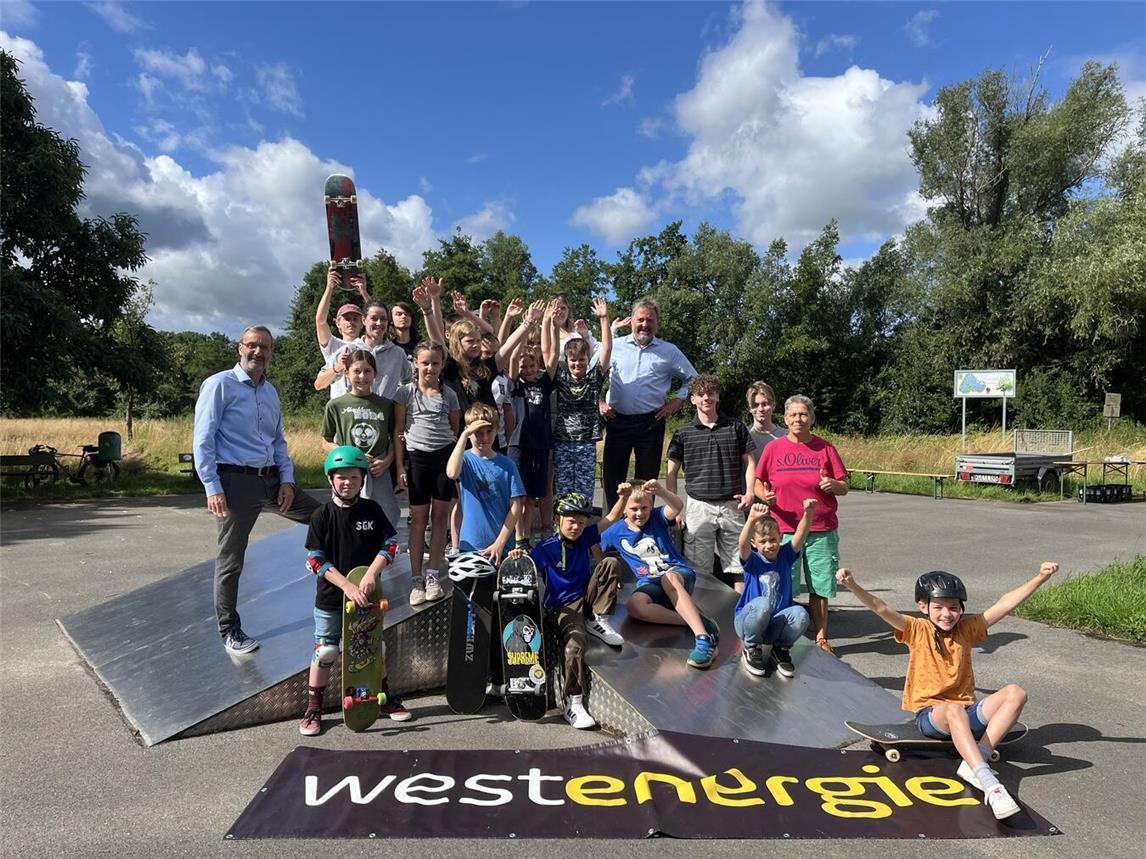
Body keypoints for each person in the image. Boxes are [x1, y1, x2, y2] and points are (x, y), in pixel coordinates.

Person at [835, 563, 1058, 819]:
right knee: (952, 709)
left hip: (965, 712)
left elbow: (1005, 604)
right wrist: (852, 585)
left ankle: (976, 761)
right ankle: (990, 784)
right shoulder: (916, 629)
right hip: (932, 717)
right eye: (938, 608)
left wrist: (1040, 578)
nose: (947, 614)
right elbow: (881, 607)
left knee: (1016, 692)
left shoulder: (967, 629)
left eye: (953, 608)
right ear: (923, 606)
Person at [193, 325, 319, 654]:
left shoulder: (270, 392)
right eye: (251, 345)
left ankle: (330, 574)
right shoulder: (220, 385)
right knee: (231, 558)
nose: (257, 352)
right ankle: (229, 630)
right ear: (240, 348)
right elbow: (203, 439)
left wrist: (288, 480)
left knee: (323, 517)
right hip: (235, 482)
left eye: (264, 347)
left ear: (271, 353)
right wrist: (212, 486)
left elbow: (278, 441)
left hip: (272, 479)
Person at [298, 446, 408, 736]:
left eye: (354, 477)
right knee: (326, 650)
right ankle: (313, 709)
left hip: (366, 596)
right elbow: (315, 559)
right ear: (330, 479)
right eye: (341, 477)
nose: (348, 483)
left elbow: (391, 544)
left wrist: (372, 573)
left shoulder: (371, 511)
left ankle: (382, 700)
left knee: (372, 649)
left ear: (362, 480)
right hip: (332, 598)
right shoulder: (322, 515)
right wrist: (347, 585)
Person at [753, 394, 849, 653]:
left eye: (803, 414)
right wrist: (764, 495)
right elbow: (757, 482)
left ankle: (821, 637)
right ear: (785, 419)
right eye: (793, 415)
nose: (798, 419)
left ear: (812, 418)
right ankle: (781, 635)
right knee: (784, 585)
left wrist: (833, 485)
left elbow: (845, 485)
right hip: (784, 530)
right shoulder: (774, 449)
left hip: (821, 528)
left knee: (819, 585)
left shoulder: (826, 448)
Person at [530, 491, 626, 729]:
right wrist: (517, 554)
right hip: (562, 607)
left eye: (581, 523)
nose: (576, 527)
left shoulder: (584, 539)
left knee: (610, 563)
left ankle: (597, 618)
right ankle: (573, 702)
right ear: (557, 519)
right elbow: (528, 569)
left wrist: (623, 496)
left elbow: (612, 517)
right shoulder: (545, 548)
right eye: (571, 521)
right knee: (574, 645)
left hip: (586, 599)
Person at [599, 480, 720, 669]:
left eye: (644, 508)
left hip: (678, 575)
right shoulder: (616, 532)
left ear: (651, 506)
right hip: (651, 583)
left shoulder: (657, 517)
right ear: (624, 509)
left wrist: (662, 491)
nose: (640, 513)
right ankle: (694, 620)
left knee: (668, 578)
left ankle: (703, 638)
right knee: (634, 606)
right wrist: (607, 571)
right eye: (634, 509)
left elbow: (677, 506)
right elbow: (594, 544)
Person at [599, 297, 697, 511]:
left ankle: (644, 530)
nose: (645, 324)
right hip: (617, 419)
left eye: (650, 320)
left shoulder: (669, 351)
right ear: (632, 320)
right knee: (612, 479)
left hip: (651, 422)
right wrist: (598, 402)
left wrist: (678, 401)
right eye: (640, 319)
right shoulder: (614, 346)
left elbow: (694, 379)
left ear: (657, 323)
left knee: (647, 481)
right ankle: (609, 531)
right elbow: (589, 374)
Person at [666, 374, 755, 587]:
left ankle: (742, 614)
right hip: (699, 506)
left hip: (732, 504)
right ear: (693, 399)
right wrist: (674, 509)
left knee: (739, 565)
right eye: (701, 394)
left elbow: (750, 463)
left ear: (718, 397)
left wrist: (750, 491)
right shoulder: (683, 433)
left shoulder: (736, 427)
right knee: (699, 567)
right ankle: (704, 617)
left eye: (711, 393)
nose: (706, 398)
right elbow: (671, 472)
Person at [393, 341, 460, 606]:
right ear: (416, 364)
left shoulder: (450, 395)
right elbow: (398, 432)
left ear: (442, 365)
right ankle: (416, 577)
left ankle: (433, 574)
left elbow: (454, 430)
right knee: (419, 519)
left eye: (435, 363)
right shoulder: (405, 393)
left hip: (443, 458)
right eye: (425, 363)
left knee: (440, 517)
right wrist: (400, 466)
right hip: (417, 458)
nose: (430, 368)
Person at [734, 501, 814, 678]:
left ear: (780, 537)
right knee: (763, 604)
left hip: (772, 627)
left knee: (801, 614)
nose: (769, 545)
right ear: (754, 543)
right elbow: (742, 544)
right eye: (763, 541)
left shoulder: (785, 556)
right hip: (747, 623)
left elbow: (801, 535)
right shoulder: (752, 560)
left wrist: (808, 513)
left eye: (773, 539)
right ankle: (751, 647)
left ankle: (780, 648)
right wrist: (752, 519)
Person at [320, 350, 399, 528]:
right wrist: (352, 455)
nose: (362, 376)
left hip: (377, 469)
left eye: (367, 371)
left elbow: (396, 438)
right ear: (346, 373)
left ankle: (384, 551)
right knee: (347, 515)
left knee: (385, 514)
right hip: (348, 469)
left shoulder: (386, 405)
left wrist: (387, 461)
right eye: (356, 371)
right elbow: (325, 443)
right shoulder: (335, 405)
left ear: (375, 374)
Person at [445, 402, 525, 565]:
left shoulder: (507, 464)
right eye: (478, 433)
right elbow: (452, 473)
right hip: (471, 545)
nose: (485, 438)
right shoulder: (465, 459)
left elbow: (516, 506)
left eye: (489, 432)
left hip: (502, 546)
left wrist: (500, 542)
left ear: (496, 431)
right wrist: (464, 435)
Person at [551, 295, 612, 502]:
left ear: (588, 359)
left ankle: (583, 531)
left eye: (582, 360)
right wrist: (551, 323)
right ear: (566, 360)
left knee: (585, 491)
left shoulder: (594, 377)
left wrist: (603, 319)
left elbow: (606, 350)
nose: (578, 364)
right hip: (563, 441)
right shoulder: (560, 376)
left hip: (586, 442)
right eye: (573, 360)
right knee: (563, 490)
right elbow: (547, 351)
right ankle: (563, 531)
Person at [315, 300, 412, 402]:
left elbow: (409, 383)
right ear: (364, 320)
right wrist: (338, 367)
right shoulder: (349, 349)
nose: (379, 323)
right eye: (373, 319)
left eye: (383, 319)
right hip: (351, 414)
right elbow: (319, 384)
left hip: (384, 415)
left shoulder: (397, 353)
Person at [746, 380, 786, 459]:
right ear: (749, 408)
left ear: (773, 405)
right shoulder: (744, 436)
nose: (760, 409)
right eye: (755, 405)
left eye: (765, 404)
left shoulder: (785, 436)